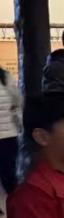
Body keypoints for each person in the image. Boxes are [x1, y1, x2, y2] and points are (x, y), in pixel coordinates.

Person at [0, 67, 21, 195]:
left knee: (8, 170)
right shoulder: (5, 76)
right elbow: (17, 99)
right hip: (10, 134)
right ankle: (15, 198)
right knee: (9, 170)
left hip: (9, 133)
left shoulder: (5, 76)